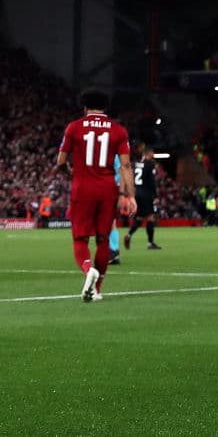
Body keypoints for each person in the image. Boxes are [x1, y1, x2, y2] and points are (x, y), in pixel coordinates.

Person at [56, 90, 137, 302]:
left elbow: (61, 161)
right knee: (103, 240)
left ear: (84, 107)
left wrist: (70, 173)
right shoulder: (119, 130)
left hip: (82, 188)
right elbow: (126, 166)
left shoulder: (74, 127)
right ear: (105, 107)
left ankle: (87, 269)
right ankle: (97, 290)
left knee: (80, 239)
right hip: (107, 189)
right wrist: (129, 195)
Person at [126, 146, 161, 250]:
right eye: (152, 153)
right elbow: (152, 181)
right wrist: (155, 196)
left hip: (137, 193)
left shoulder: (136, 163)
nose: (153, 155)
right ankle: (150, 243)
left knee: (139, 218)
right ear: (149, 153)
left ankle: (129, 235)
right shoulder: (150, 163)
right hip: (146, 194)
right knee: (150, 218)